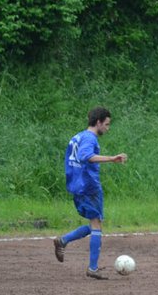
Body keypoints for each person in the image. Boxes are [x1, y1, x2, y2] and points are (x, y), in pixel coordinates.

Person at [52, 107, 128, 279]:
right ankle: (92, 268)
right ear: (98, 122)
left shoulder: (77, 136)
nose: (107, 128)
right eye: (107, 124)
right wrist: (112, 158)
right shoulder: (89, 138)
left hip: (77, 185)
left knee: (94, 226)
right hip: (89, 186)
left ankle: (63, 240)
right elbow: (86, 155)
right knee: (96, 225)